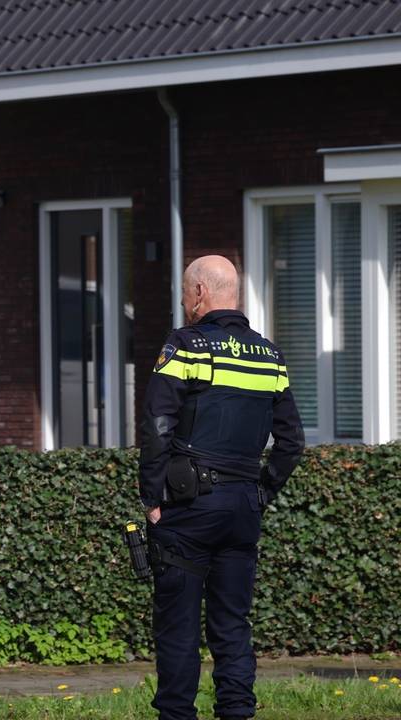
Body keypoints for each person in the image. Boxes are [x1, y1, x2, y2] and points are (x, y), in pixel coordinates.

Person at [139, 255, 305, 720]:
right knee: (232, 624)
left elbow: (157, 426)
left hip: (188, 507)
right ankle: (237, 711)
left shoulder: (186, 346)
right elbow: (292, 441)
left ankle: (177, 714)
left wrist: (151, 497)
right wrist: (262, 492)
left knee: (178, 627)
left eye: (184, 294)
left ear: (199, 294)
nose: (183, 304)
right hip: (242, 508)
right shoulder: (269, 355)